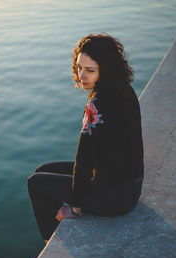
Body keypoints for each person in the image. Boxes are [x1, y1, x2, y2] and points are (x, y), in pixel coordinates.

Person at [26, 33, 144, 244]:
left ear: (106, 71)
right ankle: (59, 225)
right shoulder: (125, 90)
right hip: (130, 187)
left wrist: (76, 205)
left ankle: (51, 241)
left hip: (115, 197)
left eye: (90, 70)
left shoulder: (96, 104)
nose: (82, 76)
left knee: (35, 182)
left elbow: (84, 158)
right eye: (79, 67)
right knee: (43, 169)